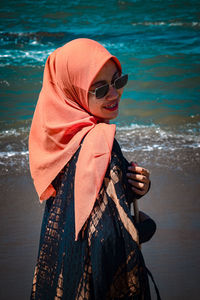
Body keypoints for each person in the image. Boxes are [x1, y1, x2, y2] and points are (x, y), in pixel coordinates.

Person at [29, 38, 157, 299]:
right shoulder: (101, 144)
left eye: (118, 81)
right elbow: (108, 240)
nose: (114, 94)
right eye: (99, 90)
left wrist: (132, 189)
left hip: (64, 279)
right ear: (72, 91)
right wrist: (146, 228)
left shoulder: (60, 144)